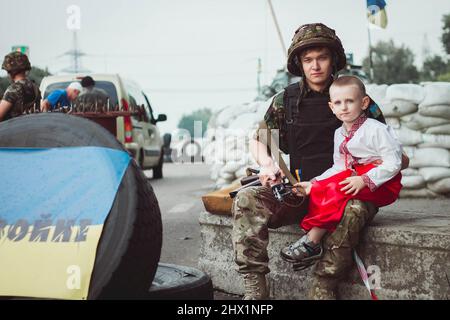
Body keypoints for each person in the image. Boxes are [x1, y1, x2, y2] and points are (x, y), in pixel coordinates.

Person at [231, 23, 409, 300]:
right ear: (299, 64)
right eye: (307, 59)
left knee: (356, 208)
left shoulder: (356, 98)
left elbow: (390, 151)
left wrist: (372, 172)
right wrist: (267, 164)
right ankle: (255, 290)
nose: (315, 66)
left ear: (333, 60)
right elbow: (260, 140)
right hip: (302, 190)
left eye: (322, 58)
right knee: (247, 198)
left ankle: (323, 286)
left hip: (349, 191)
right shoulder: (285, 101)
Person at [280, 76, 403, 266]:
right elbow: (340, 167)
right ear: (332, 107)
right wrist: (314, 183)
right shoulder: (340, 133)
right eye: (338, 102)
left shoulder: (376, 129)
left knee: (335, 188)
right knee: (322, 187)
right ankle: (312, 238)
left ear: (364, 103)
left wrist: (365, 179)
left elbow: (394, 162)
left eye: (350, 101)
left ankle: (313, 240)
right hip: (354, 177)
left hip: (382, 182)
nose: (344, 107)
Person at [0, 52, 41, 122]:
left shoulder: (13, 89)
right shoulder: (35, 87)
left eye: (8, 71)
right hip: (32, 129)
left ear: (11, 72)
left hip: (13, 131)